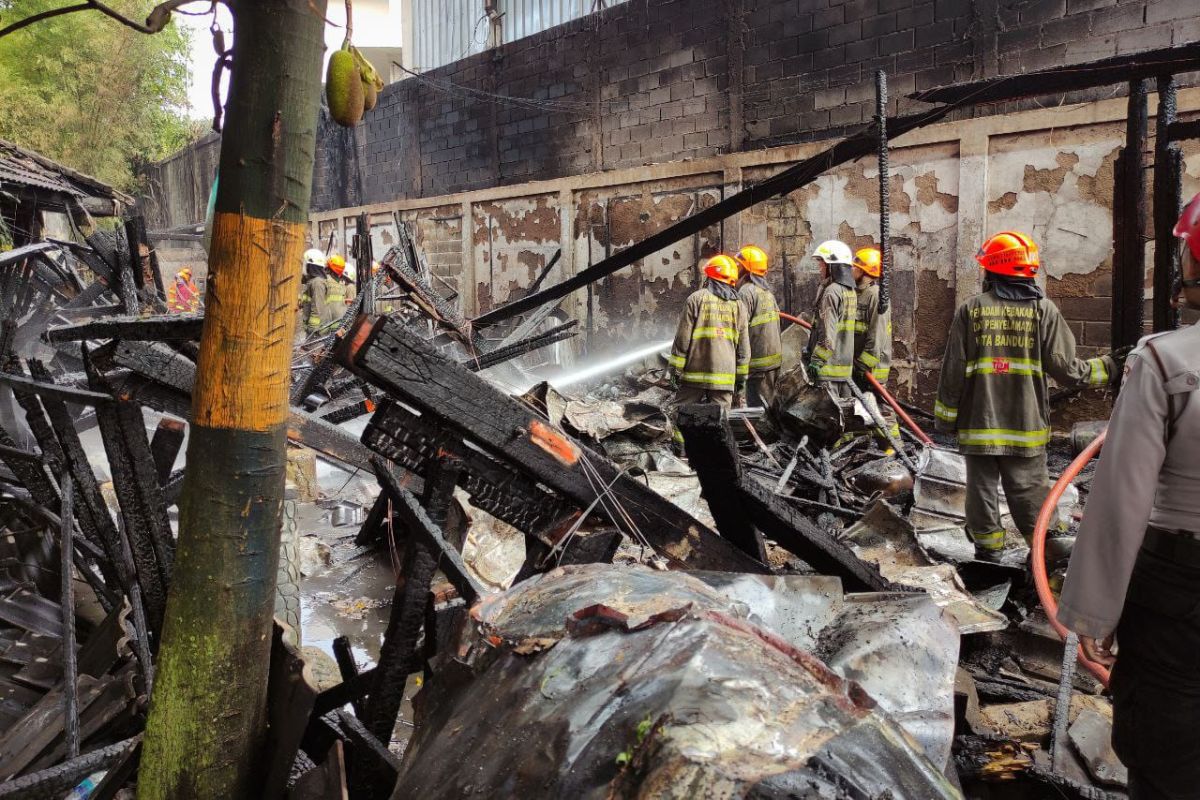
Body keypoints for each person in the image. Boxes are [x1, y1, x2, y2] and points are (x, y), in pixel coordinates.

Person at [1057, 193, 1200, 800]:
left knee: (1170, 748)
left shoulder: (1167, 360)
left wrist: (1094, 612)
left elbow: (1121, 500)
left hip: (1181, 585)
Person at [934, 231, 1115, 561]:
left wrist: (945, 420)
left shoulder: (971, 310)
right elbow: (1067, 371)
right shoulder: (1043, 310)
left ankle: (987, 557)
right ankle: (1049, 559)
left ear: (991, 270)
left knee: (982, 492)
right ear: (1028, 270)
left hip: (978, 425)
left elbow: (953, 370)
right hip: (1024, 425)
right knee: (1031, 493)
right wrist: (1110, 367)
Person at [668, 254, 749, 413]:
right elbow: (744, 348)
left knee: (680, 415)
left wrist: (675, 371)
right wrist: (741, 377)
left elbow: (682, 340)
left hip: (694, 375)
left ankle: (681, 439)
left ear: (709, 276)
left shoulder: (695, 299)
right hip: (724, 377)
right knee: (720, 422)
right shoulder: (739, 306)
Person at [850, 246, 899, 445]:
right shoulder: (858, 294)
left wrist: (864, 364)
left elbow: (876, 336)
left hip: (872, 367)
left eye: (855, 267)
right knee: (862, 408)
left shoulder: (876, 296)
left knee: (882, 410)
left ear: (864, 271)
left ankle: (894, 448)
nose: (851, 270)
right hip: (858, 366)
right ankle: (867, 445)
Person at [805, 240, 858, 395]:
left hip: (827, 370)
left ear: (832, 266)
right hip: (844, 371)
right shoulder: (850, 291)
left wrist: (816, 361)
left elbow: (828, 334)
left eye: (822, 264)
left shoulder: (832, 292)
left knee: (825, 418)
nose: (820, 268)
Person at [733, 244, 782, 407]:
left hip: (758, 366)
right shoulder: (766, 292)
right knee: (769, 408)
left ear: (746, 269)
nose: (736, 268)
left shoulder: (746, 292)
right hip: (772, 364)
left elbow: (739, 330)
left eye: (739, 265)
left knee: (758, 412)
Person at [300, 248, 329, 334]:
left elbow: (317, 308)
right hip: (312, 330)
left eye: (307, 264)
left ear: (311, 266)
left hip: (316, 331)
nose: (305, 267)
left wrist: (312, 329)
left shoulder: (317, 283)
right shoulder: (312, 282)